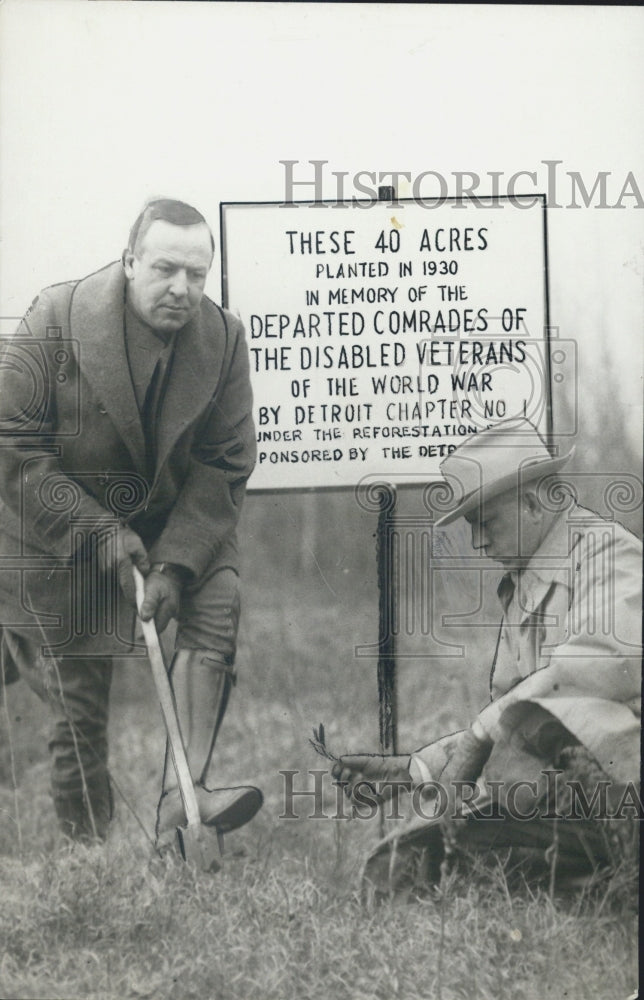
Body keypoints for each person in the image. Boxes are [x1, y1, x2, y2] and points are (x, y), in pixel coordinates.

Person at [0, 198, 263, 847]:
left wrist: (175, 563)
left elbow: (224, 461)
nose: (183, 289)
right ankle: (90, 857)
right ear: (128, 261)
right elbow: (13, 444)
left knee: (219, 598)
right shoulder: (52, 319)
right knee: (79, 713)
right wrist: (104, 538)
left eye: (197, 275)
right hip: (53, 535)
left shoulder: (224, 338)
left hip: (173, 529)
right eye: (166, 269)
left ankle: (184, 798)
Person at [332, 418, 641, 893]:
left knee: (439, 861)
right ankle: (599, 884)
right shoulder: (524, 584)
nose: (478, 542)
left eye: (485, 523)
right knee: (399, 865)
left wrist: (482, 734)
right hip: (578, 803)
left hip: (624, 793)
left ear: (533, 503)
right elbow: (514, 722)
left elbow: (603, 665)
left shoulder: (610, 555)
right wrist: (416, 768)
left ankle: (610, 882)